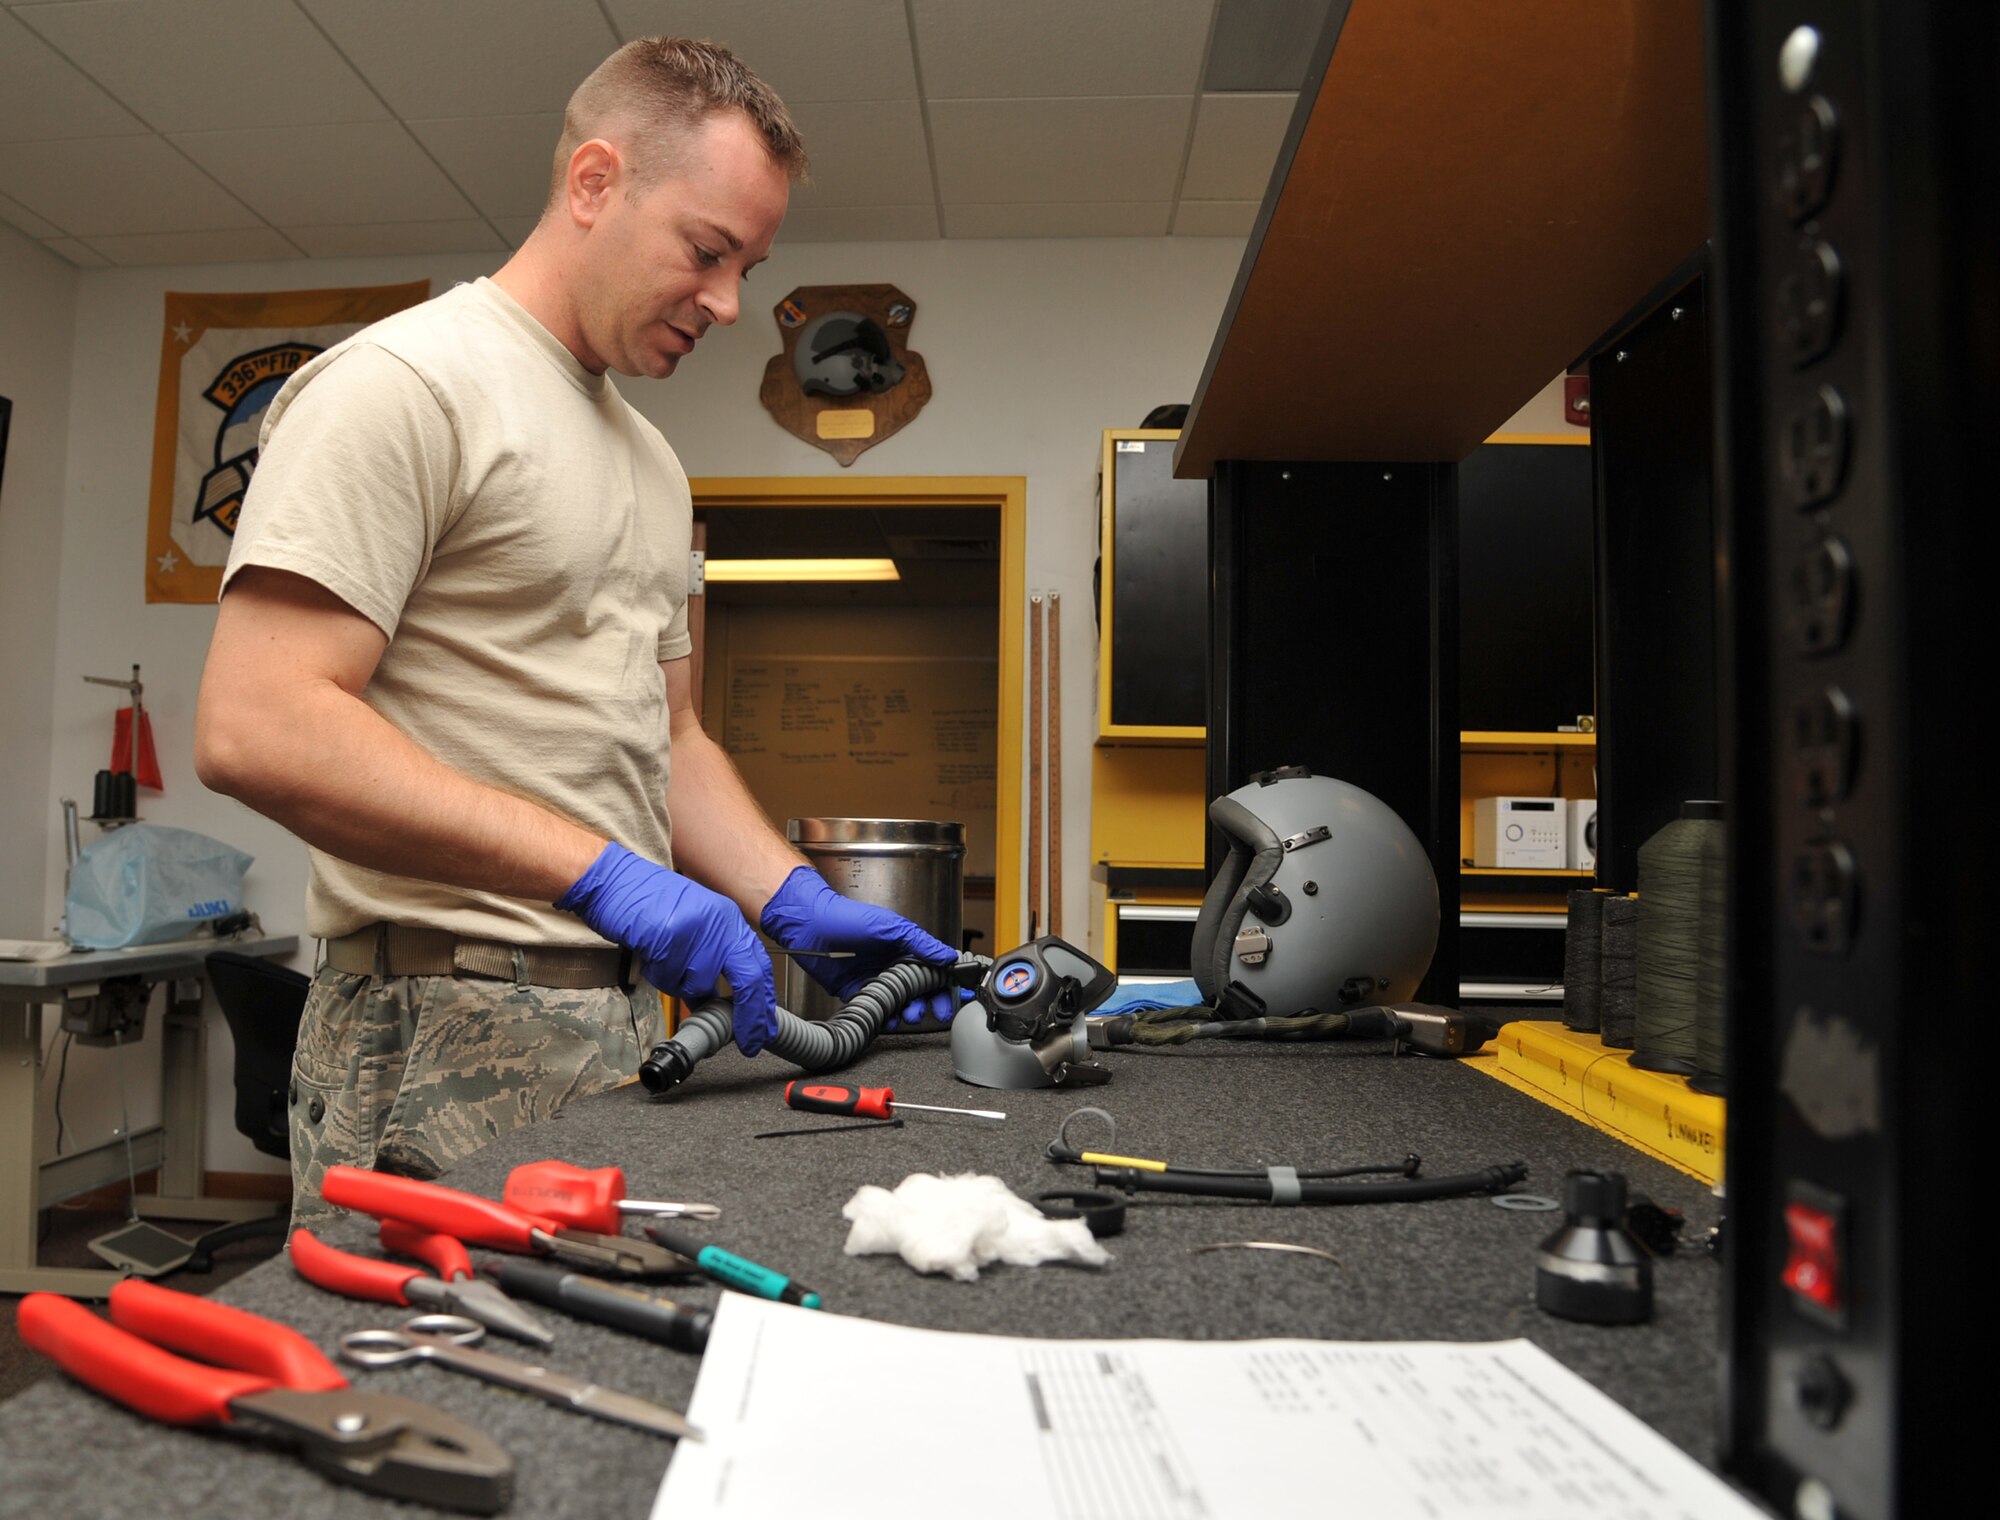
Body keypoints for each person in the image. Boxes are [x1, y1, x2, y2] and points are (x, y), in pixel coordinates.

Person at [194, 37, 960, 1228]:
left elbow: (674, 736)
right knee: (426, 1378)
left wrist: (789, 897)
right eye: (708, 253)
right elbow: (259, 726)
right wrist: (605, 874)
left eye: (747, 265)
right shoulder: (402, 384)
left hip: (610, 1018)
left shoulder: (652, 462)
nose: (727, 303)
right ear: (594, 183)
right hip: (439, 1018)